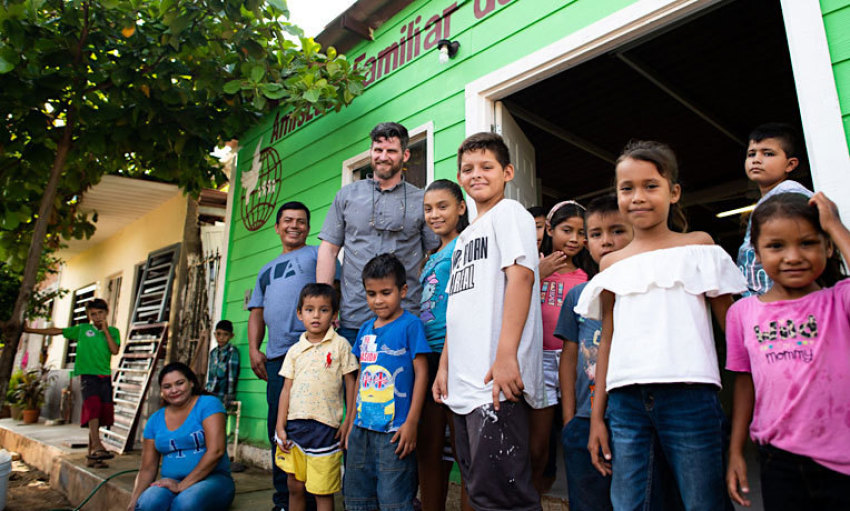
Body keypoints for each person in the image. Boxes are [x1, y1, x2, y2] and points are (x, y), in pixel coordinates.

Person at [576, 140, 747, 511]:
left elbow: (734, 334)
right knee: (630, 503)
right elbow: (608, 340)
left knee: (703, 501)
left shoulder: (699, 248)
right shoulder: (611, 265)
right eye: (627, 188)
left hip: (690, 396)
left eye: (650, 186)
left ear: (674, 192)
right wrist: (596, 419)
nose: (638, 197)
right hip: (625, 403)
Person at [434, 132, 545, 511]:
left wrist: (506, 356)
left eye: (486, 167)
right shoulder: (464, 239)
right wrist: (444, 365)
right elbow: (458, 307)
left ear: (508, 172)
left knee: (504, 497)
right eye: (467, 169)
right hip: (464, 387)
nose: (476, 174)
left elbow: (522, 278)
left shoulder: (510, 214)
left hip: (495, 382)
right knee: (480, 490)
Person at [726, 192, 850, 510]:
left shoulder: (839, 301)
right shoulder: (742, 313)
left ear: (829, 247)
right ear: (756, 253)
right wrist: (736, 451)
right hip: (777, 459)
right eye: (776, 246)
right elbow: (744, 382)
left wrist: (835, 225)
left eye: (808, 243)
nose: (793, 257)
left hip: (842, 460)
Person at [316, 122, 439, 346]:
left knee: (404, 380)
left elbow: (434, 253)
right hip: (354, 318)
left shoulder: (422, 199)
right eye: (378, 150)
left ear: (406, 154)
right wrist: (325, 305)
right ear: (371, 152)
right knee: (355, 381)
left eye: (391, 151)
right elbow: (329, 249)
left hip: (406, 317)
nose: (383, 156)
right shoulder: (346, 196)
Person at [555, 195, 632, 511]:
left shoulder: (643, 288)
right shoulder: (578, 295)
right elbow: (569, 358)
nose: (608, 242)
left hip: (632, 417)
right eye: (597, 234)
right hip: (585, 418)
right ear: (587, 243)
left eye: (618, 231)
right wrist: (570, 419)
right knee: (588, 501)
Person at [247, 201, 320, 511]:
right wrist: (254, 348)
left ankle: (317, 497)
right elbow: (256, 312)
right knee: (279, 428)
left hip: (312, 352)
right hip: (277, 358)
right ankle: (283, 500)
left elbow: (336, 289)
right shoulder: (265, 269)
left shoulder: (318, 254)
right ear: (277, 227)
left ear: (308, 227)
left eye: (301, 221)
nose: (295, 225)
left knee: (315, 425)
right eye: (288, 220)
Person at [344, 254, 430, 511]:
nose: (378, 300)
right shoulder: (365, 329)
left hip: (395, 433)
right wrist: (350, 424)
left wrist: (412, 421)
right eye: (371, 293)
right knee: (358, 498)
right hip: (361, 431)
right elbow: (359, 376)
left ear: (403, 290)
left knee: (395, 499)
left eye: (385, 292)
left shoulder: (411, 325)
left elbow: (422, 373)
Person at [275, 283, 359, 511]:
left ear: (334, 314)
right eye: (310, 309)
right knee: (295, 486)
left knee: (322, 491)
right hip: (295, 428)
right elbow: (285, 390)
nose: (316, 315)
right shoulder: (294, 351)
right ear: (300, 314)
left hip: (326, 429)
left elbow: (351, 384)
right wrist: (280, 426)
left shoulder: (341, 346)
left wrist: (348, 422)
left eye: (324, 310)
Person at [530, 200, 591, 494]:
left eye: (582, 233)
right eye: (567, 230)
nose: (575, 239)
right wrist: (537, 274)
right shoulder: (532, 268)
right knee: (537, 445)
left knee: (574, 431)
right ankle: (533, 497)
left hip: (574, 362)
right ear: (550, 229)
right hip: (538, 361)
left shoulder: (586, 279)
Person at [419, 179, 471, 511]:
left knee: (465, 446)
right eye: (428, 209)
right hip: (428, 354)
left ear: (461, 208)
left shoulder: (465, 245)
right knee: (429, 445)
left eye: (443, 206)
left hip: (456, 354)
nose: (434, 214)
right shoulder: (431, 255)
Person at [24, 298, 119, 468]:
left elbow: (115, 350)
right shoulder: (82, 329)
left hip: (104, 376)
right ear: (88, 316)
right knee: (93, 409)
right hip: (87, 376)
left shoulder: (113, 331)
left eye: (100, 313)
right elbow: (58, 331)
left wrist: (105, 331)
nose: (97, 317)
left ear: (107, 313)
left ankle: (93, 457)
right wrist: (31, 329)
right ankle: (97, 446)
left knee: (99, 414)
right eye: (93, 314)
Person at [128, 363, 233, 511]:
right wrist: (134, 501)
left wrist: (181, 486)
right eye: (167, 386)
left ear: (191, 382)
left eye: (179, 383)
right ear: (162, 391)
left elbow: (216, 451)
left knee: (185, 503)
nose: (174, 390)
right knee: (148, 502)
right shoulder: (155, 420)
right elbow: (147, 468)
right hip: (171, 481)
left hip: (212, 479)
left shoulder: (208, 404)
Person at [737, 123, 812, 296]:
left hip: (789, 301)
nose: (756, 159)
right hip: (765, 303)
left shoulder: (789, 192)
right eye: (751, 154)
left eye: (768, 153)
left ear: (790, 165)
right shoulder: (766, 202)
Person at [205, 320, 240, 406]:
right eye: (218, 334)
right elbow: (210, 374)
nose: (221, 338)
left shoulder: (232, 352)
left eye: (225, 334)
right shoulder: (213, 353)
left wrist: (230, 395)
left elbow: (232, 376)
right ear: (214, 334)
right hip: (210, 392)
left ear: (231, 336)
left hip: (222, 394)